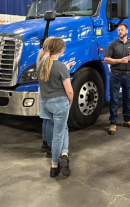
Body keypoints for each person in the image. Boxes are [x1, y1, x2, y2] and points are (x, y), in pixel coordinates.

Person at [37, 37, 74, 178]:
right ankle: (54, 166)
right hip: (60, 103)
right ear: (60, 49)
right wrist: (70, 102)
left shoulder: (41, 65)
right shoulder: (60, 67)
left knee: (63, 128)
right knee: (58, 134)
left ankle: (64, 155)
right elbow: (69, 90)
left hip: (46, 103)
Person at [104, 23, 130, 135]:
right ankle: (113, 123)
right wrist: (120, 60)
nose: (119, 31)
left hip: (128, 75)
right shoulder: (113, 44)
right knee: (114, 99)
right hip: (115, 75)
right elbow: (106, 59)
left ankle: (127, 119)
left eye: (122, 30)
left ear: (127, 31)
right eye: (118, 30)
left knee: (127, 98)